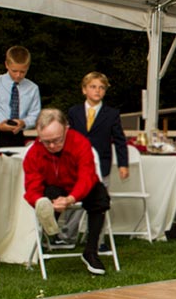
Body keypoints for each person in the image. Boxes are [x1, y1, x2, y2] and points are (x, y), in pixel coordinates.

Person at [46, 72, 129, 249]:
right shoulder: (74, 112)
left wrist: (123, 164)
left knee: (99, 202)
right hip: (76, 164)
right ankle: (67, 236)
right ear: (84, 90)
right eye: (93, 86)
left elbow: (120, 141)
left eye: (101, 87)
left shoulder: (111, 114)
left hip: (102, 166)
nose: (97, 90)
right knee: (74, 199)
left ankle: (99, 240)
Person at [23, 109, 111, 275]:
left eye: (57, 140)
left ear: (66, 128)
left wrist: (71, 198)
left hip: (79, 186)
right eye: (46, 141)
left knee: (100, 195)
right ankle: (50, 225)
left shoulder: (81, 143)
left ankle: (91, 252)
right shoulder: (34, 153)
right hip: (53, 189)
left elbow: (87, 176)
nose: (51, 146)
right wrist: (38, 201)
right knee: (45, 195)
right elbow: (31, 187)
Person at [0, 46, 41, 147]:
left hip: (19, 135)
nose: (18, 75)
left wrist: (24, 123)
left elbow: (35, 115)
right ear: (6, 65)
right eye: (14, 71)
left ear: (28, 67)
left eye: (22, 72)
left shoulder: (32, 88)